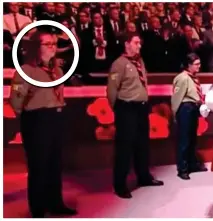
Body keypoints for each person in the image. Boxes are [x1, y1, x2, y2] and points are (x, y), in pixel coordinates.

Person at [10, 30, 77, 218]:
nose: (52, 48)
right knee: (39, 165)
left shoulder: (58, 70)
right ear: (36, 48)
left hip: (55, 118)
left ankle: (55, 203)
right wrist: (31, 116)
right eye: (47, 44)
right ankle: (38, 208)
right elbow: (16, 101)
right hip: (36, 120)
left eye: (54, 44)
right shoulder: (26, 70)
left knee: (55, 164)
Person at [107, 32, 164, 199]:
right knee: (124, 148)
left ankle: (144, 176)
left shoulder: (139, 62)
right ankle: (120, 184)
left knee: (142, 144)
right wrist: (118, 109)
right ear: (127, 44)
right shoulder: (119, 64)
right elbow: (111, 90)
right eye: (136, 43)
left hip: (141, 108)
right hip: (127, 109)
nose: (139, 46)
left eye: (140, 43)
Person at [171, 53, 208, 180]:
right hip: (185, 109)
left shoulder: (193, 77)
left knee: (192, 138)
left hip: (193, 109)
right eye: (196, 64)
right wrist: (175, 114)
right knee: (184, 140)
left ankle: (192, 164)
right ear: (189, 65)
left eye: (200, 63)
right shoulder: (182, 78)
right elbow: (176, 98)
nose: (199, 66)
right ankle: (182, 168)